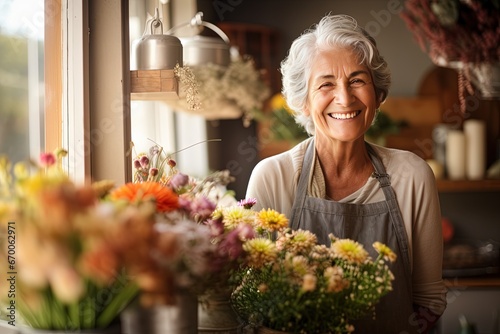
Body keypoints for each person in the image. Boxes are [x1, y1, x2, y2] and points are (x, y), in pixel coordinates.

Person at [246, 14, 447, 333]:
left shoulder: (412, 176)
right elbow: (255, 302)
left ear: (377, 94)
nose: (345, 98)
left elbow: (428, 299)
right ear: (303, 102)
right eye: (326, 83)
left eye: (357, 80)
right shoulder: (272, 177)